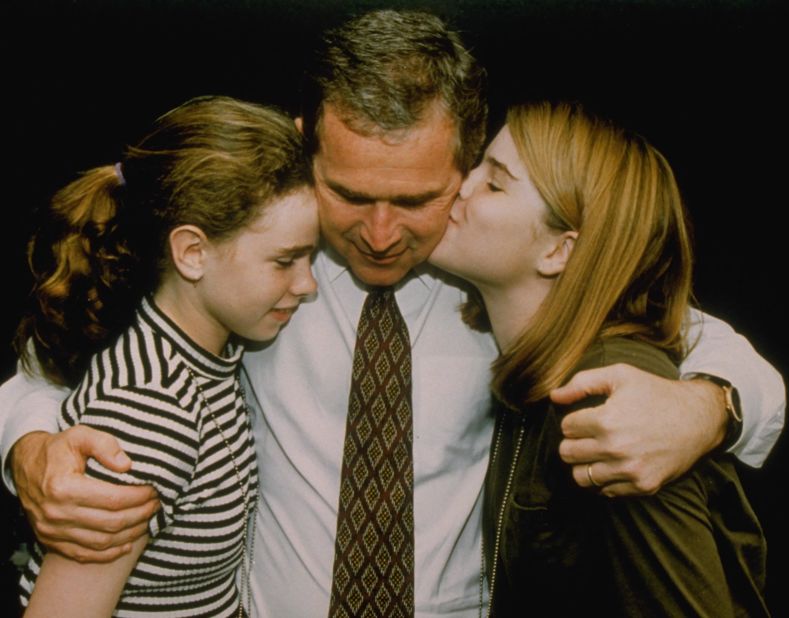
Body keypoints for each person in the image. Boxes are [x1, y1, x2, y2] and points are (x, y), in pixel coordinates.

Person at [0, 10, 783, 617]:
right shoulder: (248, 267)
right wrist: (29, 447)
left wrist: (707, 408)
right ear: (307, 147)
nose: (380, 234)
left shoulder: (508, 279)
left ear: (469, 166)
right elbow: (49, 367)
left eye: (415, 200)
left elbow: (717, 349)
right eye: (349, 195)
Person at [429, 101, 769, 615]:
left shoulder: (612, 396)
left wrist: (710, 408)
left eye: (494, 183)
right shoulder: (543, 369)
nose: (459, 184)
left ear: (559, 252)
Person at [16, 95, 318, 617]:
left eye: (310, 257)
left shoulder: (207, 356)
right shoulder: (153, 408)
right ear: (192, 253)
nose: (307, 283)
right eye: (285, 260)